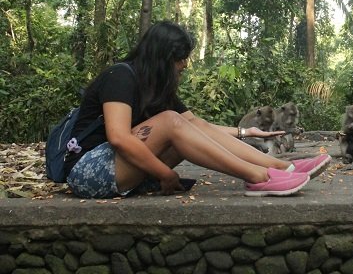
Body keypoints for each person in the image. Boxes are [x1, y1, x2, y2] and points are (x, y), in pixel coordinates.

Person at [64, 21, 331, 199]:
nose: (185, 65)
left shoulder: (155, 87)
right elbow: (119, 137)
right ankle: (258, 178)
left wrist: (244, 131)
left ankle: (282, 166)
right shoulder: (120, 77)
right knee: (171, 120)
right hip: (88, 171)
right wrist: (165, 174)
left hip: (121, 167)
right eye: (181, 58)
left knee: (183, 122)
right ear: (163, 58)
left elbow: (197, 125)